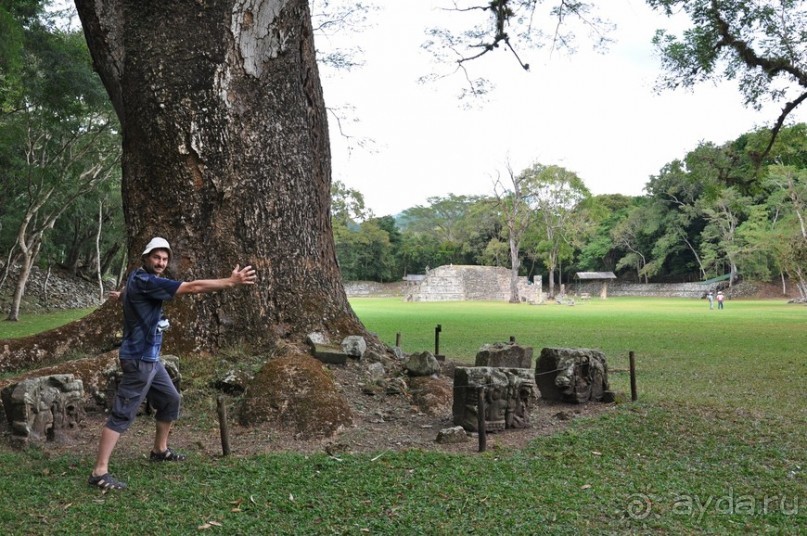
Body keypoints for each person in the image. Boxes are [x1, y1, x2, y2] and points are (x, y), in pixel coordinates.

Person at [88, 237, 257, 490]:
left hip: (151, 359)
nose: (161, 263)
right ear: (146, 258)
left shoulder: (136, 277)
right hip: (138, 359)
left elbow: (130, 291)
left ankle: (159, 450)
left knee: (170, 399)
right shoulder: (147, 280)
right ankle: (99, 472)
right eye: (156, 257)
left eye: (165, 259)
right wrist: (230, 282)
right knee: (123, 413)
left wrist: (120, 296)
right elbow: (192, 288)